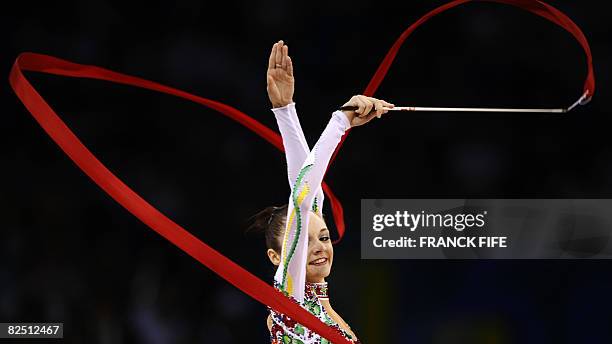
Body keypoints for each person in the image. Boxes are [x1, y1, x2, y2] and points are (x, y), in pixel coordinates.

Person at [249, 40, 394, 344]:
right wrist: (341, 121)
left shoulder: (322, 310)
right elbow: (302, 203)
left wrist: (285, 110)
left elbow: (309, 200)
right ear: (277, 258)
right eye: (303, 241)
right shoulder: (286, 304)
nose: (318, 246)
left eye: (324, 237)